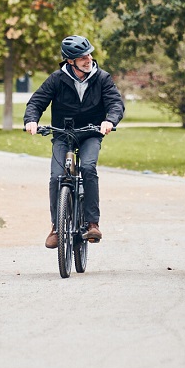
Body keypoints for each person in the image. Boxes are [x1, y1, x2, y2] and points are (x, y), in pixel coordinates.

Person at [24, 35, 124, 249]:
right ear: (70, 61)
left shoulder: (102, 78)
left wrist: (109, 120)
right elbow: (37, 101)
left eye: (89, 54)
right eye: (82, 57)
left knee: (88, 168)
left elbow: (115, 103)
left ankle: (92, 223)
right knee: (56, 177)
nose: (88, 59)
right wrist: (31, 120)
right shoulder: (56, 79)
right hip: (63, 133)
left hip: (90, 132)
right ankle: (56, 227)